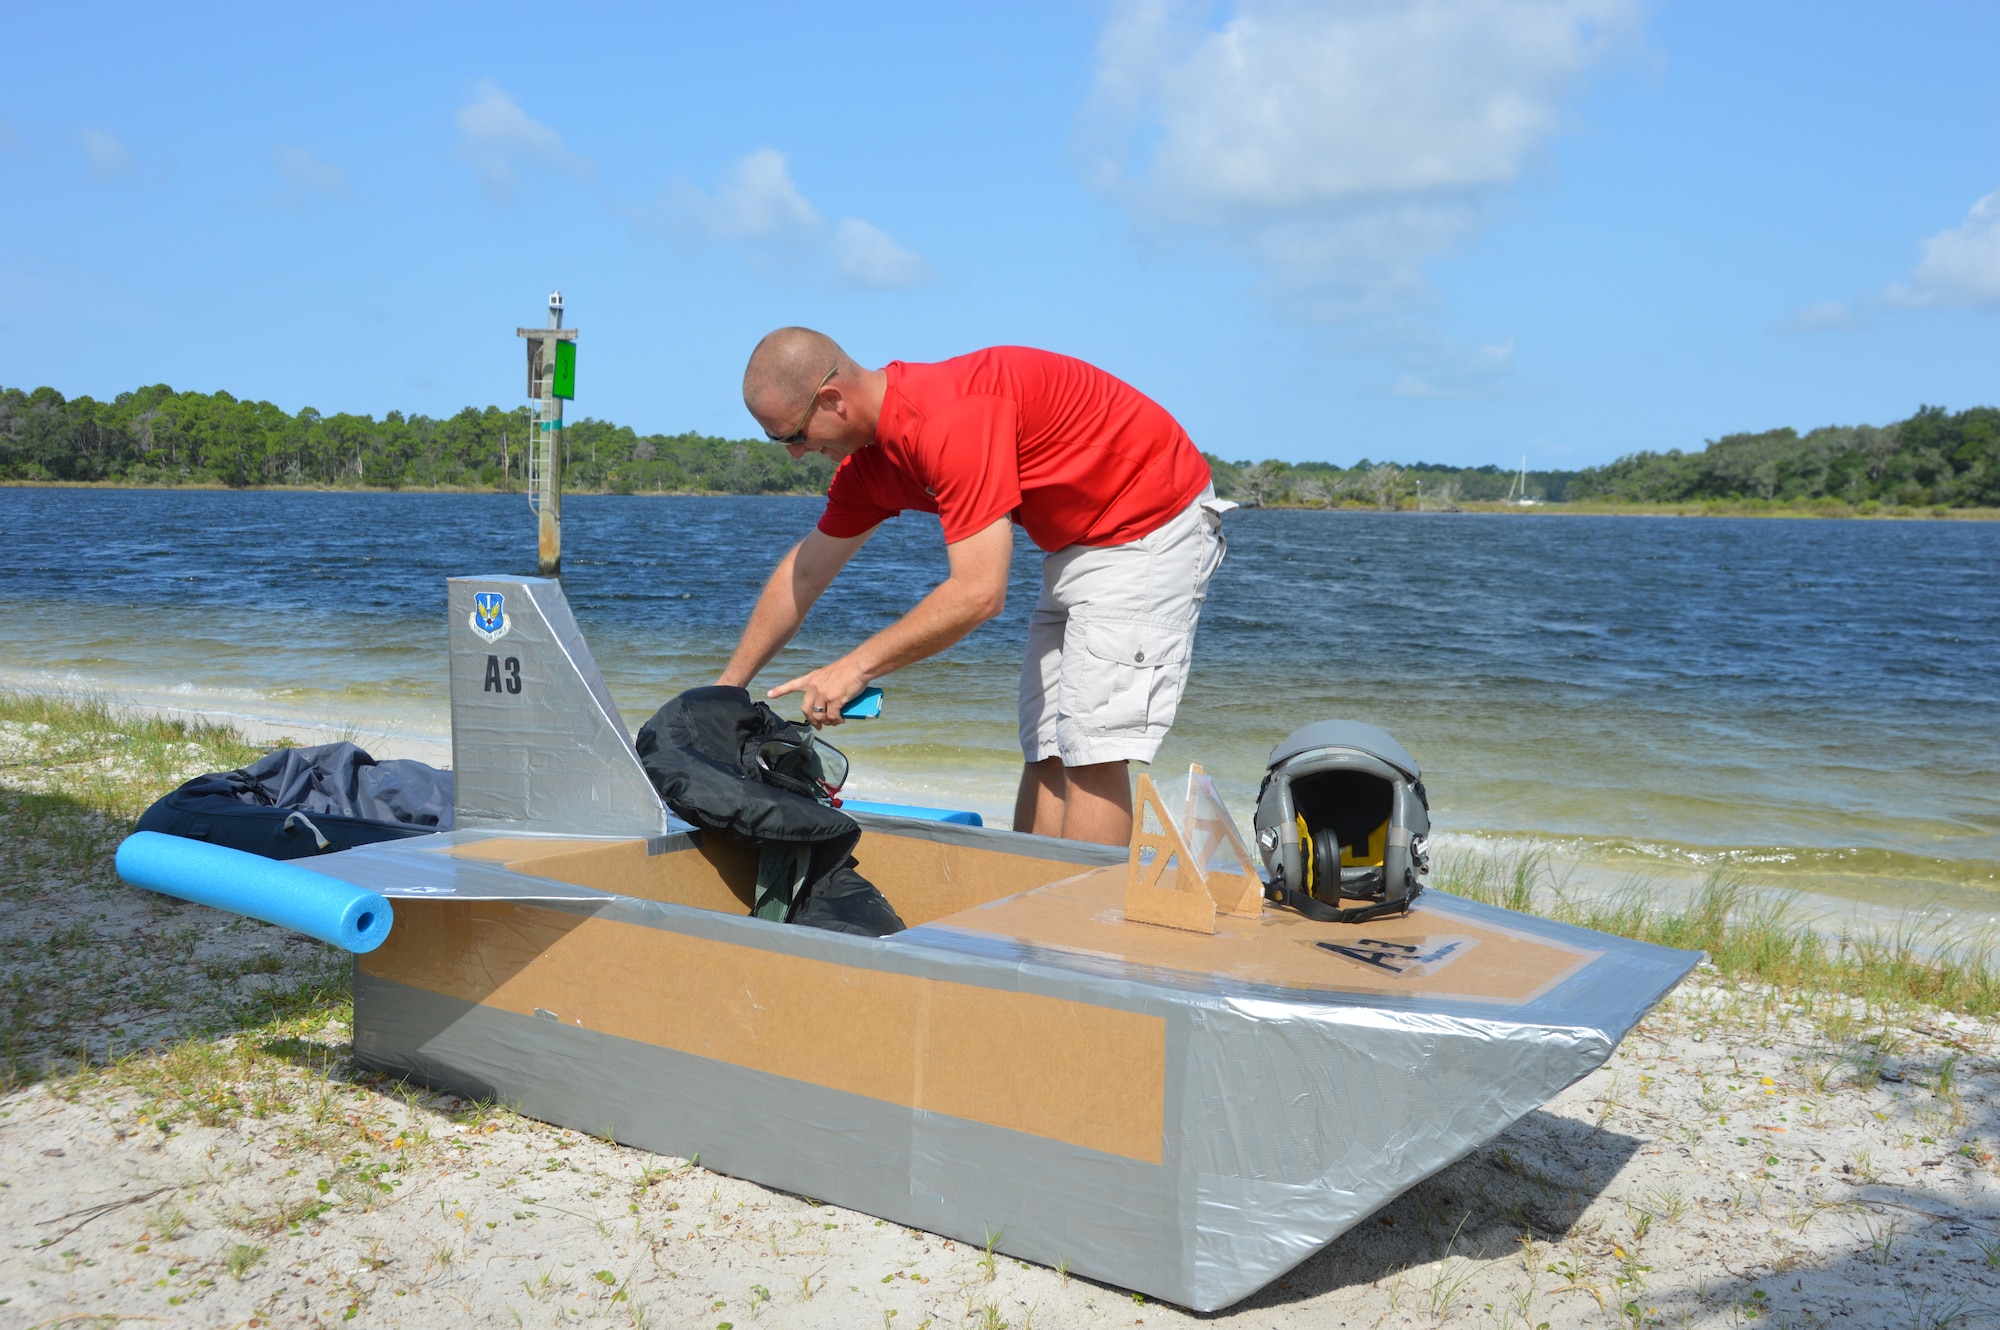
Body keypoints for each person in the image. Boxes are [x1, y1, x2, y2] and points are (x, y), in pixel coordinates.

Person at [716, 327, 1231, 845]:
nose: (796, 455)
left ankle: (1079, 922)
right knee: (1046, 746)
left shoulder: (950, 421)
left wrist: (853, 668)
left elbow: (979, 593)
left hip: (1149, 522)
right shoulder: (869, 466)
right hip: (1075, 543)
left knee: (1092, 752)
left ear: (832, 400)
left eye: (793, 436)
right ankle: (1026, 907)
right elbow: (805, 572)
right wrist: (727, 687)